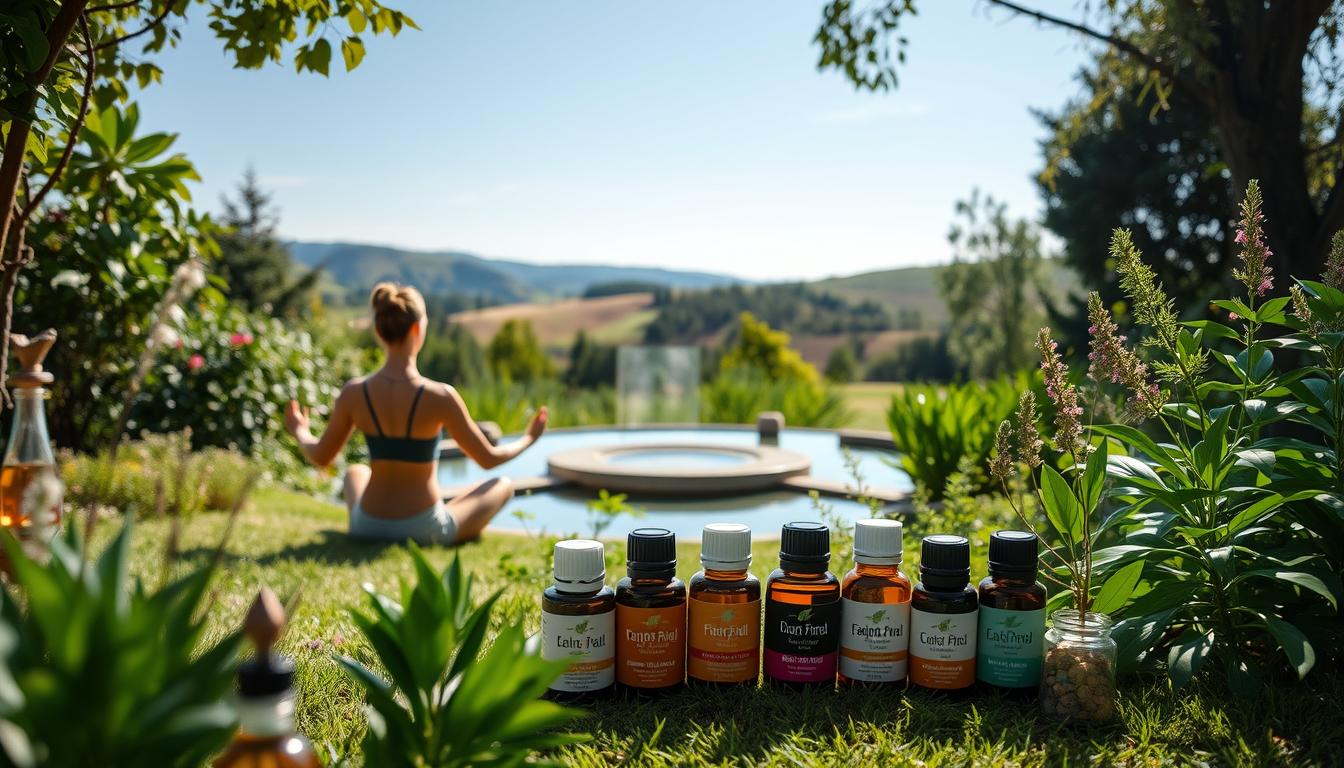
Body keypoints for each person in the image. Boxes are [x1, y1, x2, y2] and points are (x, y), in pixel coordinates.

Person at [283, 282, 547, 544]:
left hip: (366, 525)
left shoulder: (355, 392)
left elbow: (321, 456)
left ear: (378, 331)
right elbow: (489, 459)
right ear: (418, 329)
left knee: (355, 472)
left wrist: (300, 430)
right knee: (502, 485)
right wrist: (529, 438)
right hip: (425, 529)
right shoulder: (440, 396)